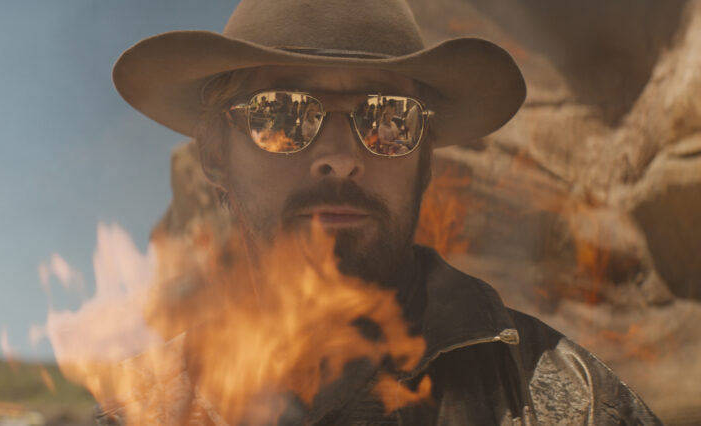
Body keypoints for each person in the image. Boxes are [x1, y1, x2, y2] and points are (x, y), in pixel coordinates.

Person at [111, 0, 661, 424]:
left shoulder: (577, 404)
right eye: (281, 114)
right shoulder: (139, 410)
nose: (340, 158)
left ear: (426, 160)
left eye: (388, 118)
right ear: (214, 155)